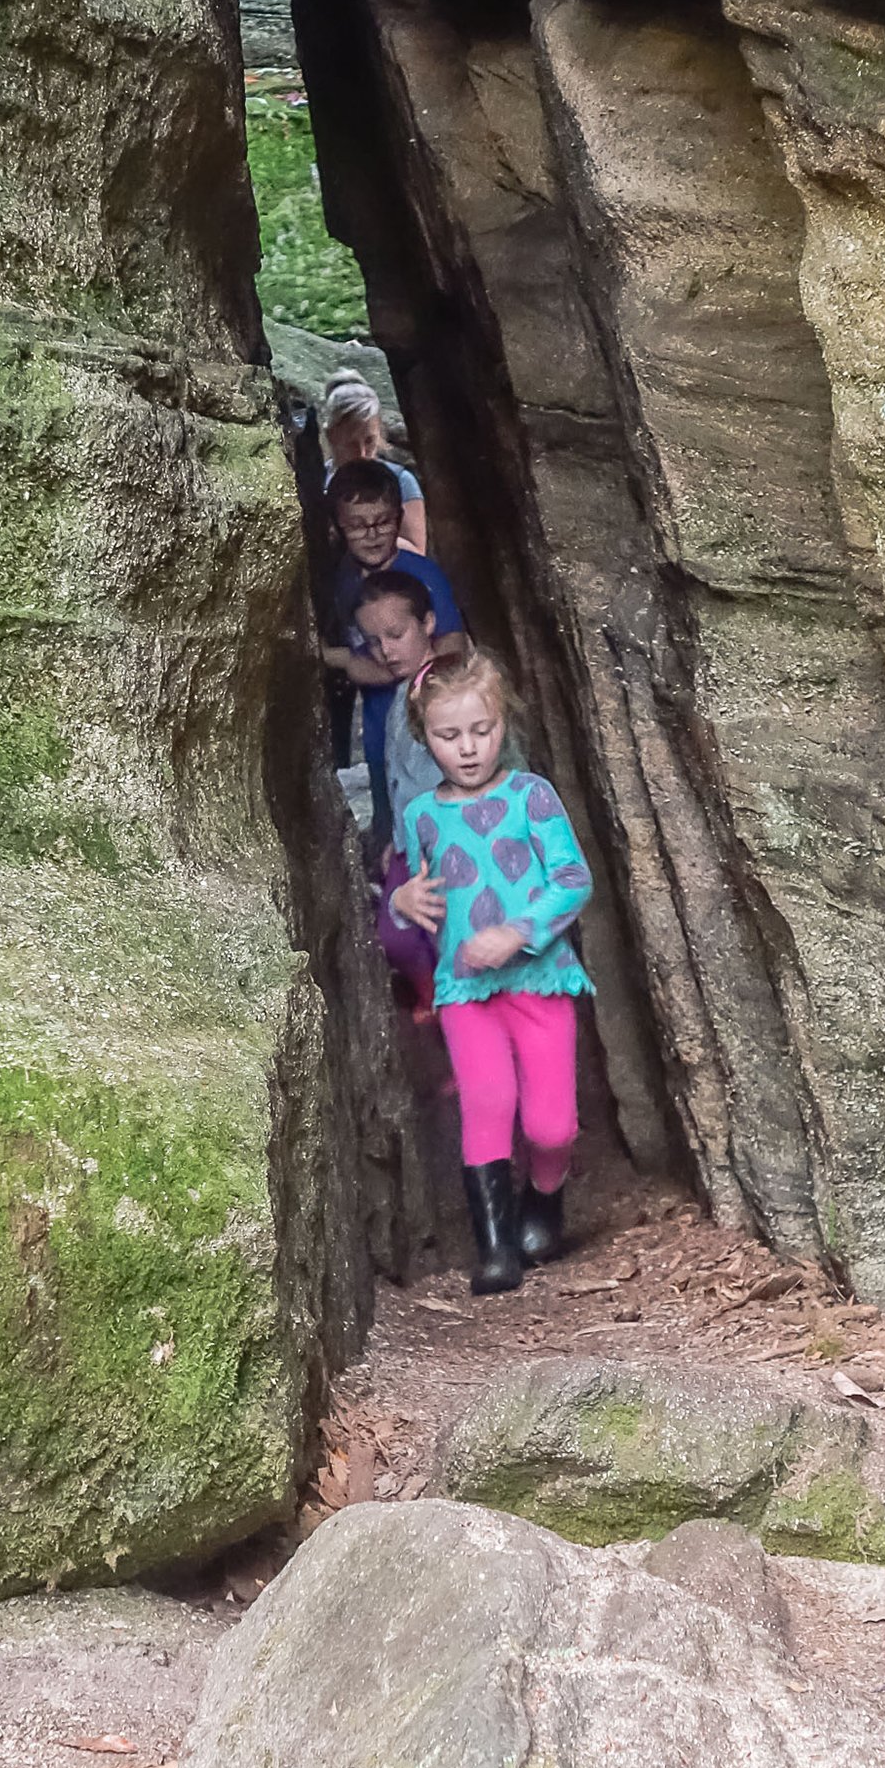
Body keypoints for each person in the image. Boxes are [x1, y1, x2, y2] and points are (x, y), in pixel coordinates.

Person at [393, 649, 593, 1295]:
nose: (470, 748)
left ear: (504, 722)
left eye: (484, 730)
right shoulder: (421, 814)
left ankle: (544, 1195)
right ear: (425, 737)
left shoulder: (531, 795)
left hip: (541, 979)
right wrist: (400, 900)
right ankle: (496, 1247)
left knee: (550, 1125)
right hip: (464, 988)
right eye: (450, 736)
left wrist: (518, 931)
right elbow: (402, 883)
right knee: (486, 1102)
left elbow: (571, 877)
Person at [321, 461, 463, 852]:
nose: (372, 534)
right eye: (357, 525)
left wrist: (346, 663)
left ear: (400, 517)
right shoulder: (344, 577)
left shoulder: (421, 574)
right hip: (379, 725)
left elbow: (452, 646)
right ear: (337, 527)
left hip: (422, 727)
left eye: (383, 522)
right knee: (388, 813)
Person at [355, 567, 445, 1014]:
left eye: (396, 634)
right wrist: (396, 840)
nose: (386, 651)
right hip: (411, 841)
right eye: (373, 642)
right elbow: (401, 780)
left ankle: (450, 1009)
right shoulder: (400, 692)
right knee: (398, 934)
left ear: (428, 622)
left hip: (447, 839)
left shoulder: (446, 690)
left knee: (440, 933)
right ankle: (435, 998)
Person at [320, 369, 427, 551]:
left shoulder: (401, 481)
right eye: (351, 444)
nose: (362, 453)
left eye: (369, 441)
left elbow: (417, 551)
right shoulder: (317, 481)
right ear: (331, 436)